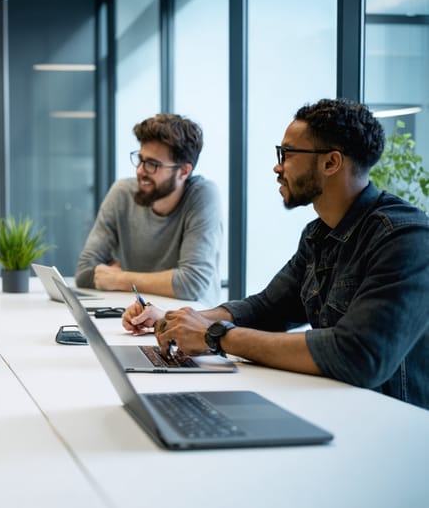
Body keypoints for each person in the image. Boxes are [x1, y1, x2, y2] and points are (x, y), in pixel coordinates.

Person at [125, 98, 429, 410]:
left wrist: (216, 335)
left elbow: (359, 354)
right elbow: (267, 308)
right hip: (341, 408)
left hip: (394, 425)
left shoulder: (405, 238)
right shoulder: (318, 234)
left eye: (287, 154)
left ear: (330, 163)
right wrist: (183, 321)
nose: (277, 166)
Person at [75, 113, 222, 305]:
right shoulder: (122, 193)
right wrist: (158, 282)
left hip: (189, 321)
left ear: (184, 171)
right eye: (141, 159)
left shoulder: (203, 196)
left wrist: (119, 279)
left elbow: (191, 283)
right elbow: (85, 272)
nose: (140, 171)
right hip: (133, 317)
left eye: (153, 164)